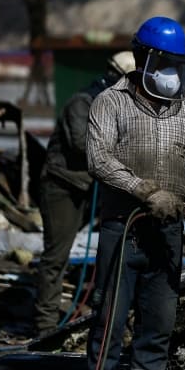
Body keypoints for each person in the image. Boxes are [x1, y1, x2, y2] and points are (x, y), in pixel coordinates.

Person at [80, 16, 185, 370]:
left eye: (178, 65)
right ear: (143, 58)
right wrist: (146, 191)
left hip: (167, 234)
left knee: (158, 322)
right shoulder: (111, 103)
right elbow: (99, 160)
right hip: (122, 231)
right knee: (109, 319)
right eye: (164, 62)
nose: (171, 73)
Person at [34, 51, 135, 333]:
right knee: (56, 257)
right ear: (116, 76)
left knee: (114, 254)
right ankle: (45, 326)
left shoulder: (115, 108)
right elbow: (82, 144)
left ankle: (107, 319)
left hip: (89, 188)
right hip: (62, 187)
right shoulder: (82, 103)